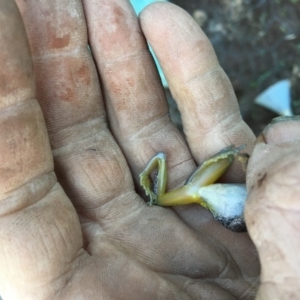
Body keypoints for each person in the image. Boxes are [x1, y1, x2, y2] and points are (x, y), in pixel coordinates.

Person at [0, 0, 299, 299]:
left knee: (195, 184)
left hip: (222, 208)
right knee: (199, 180)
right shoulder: (200, 194)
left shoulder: (202, 196)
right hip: (219, 205)